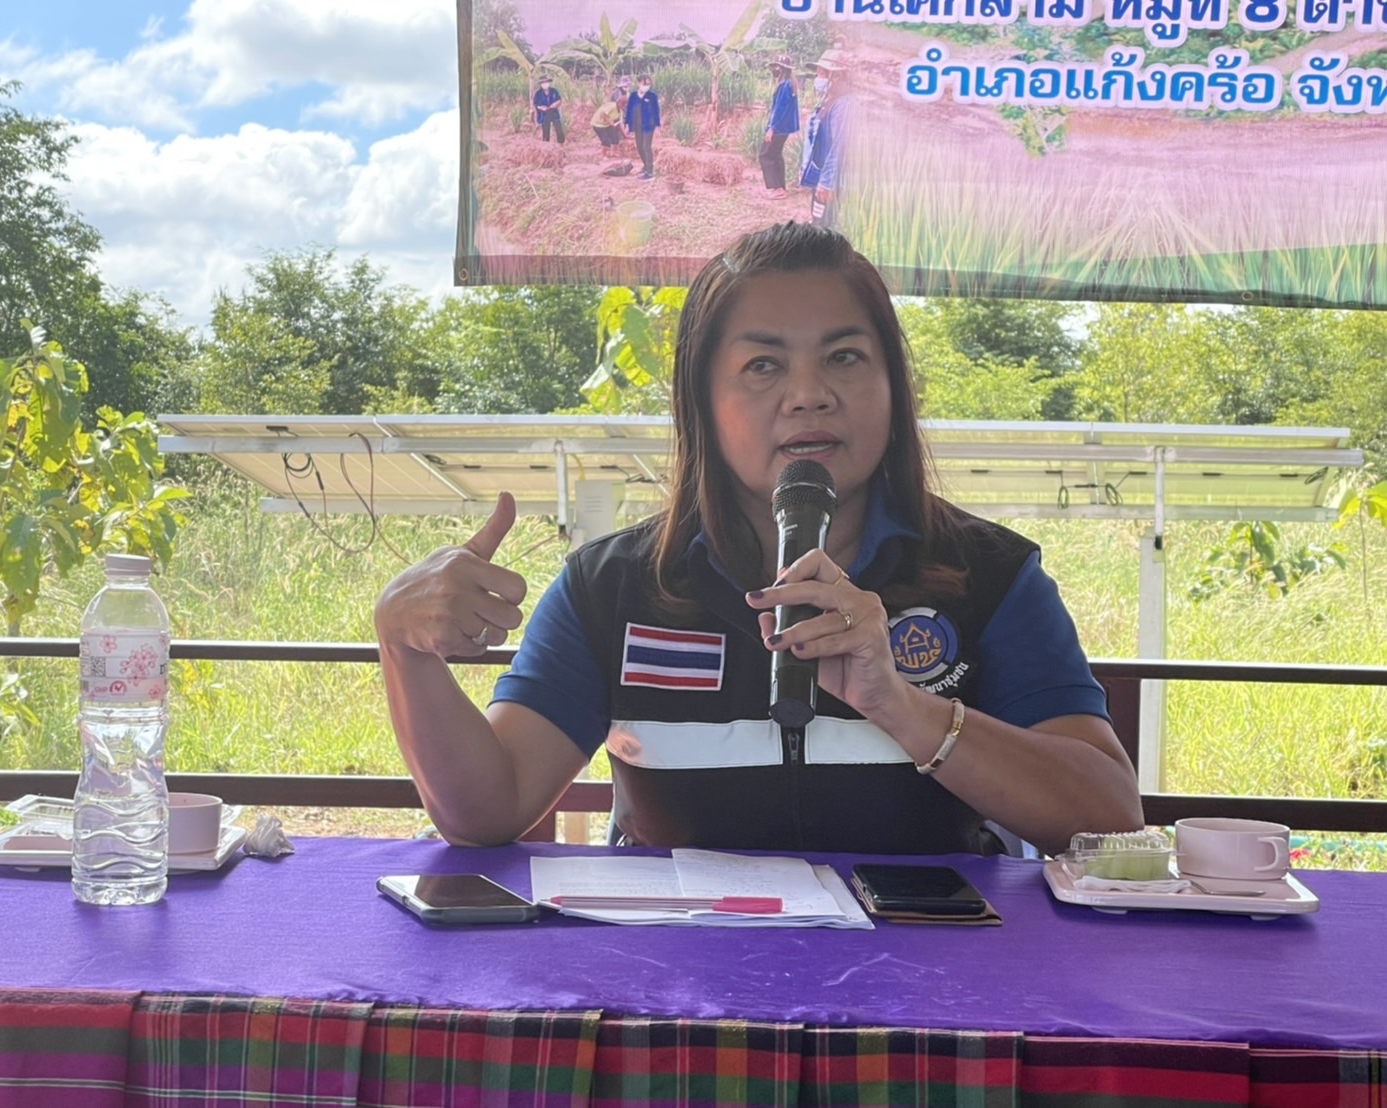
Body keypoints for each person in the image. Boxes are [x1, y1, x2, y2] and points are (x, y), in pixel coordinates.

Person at [374, 222, 1144, 858]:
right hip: (681, 998)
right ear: (702, 403)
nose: (808, 394)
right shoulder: (610, 586)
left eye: (844, 357)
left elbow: (1108, 816)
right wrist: (404, 647)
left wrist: (902, 706)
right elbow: (488, 810)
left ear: (891, 387)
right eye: (763, 365)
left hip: (927, 989)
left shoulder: (991, 575)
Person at [800, 50, 853, 225]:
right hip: (819, 171)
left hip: (829, 177)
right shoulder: (827, 99)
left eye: (822, 72)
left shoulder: (843, 104)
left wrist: (826, 182)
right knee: (817, 217)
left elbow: (839, 145)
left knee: (824, 222)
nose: (818, 76)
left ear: (836, 76)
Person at [759, 54, 800, 198]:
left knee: (765, 155)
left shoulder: (784, 86)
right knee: (776, 155)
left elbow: (779, 109)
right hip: (784, 128)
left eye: (777, 66)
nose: (774, 69)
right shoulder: (790, 84)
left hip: (779, 128)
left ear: (782, 69)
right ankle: (780, 188)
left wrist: (771, 128)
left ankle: (777, 188)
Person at [624, 74, 661, 180]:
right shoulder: (633, 96)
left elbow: (656, 111)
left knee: (646, 147)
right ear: (638, 83)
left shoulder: (652, 96)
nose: (646, 86)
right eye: (644, 83)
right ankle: (646, 166)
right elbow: (629, 111)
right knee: (639, 147)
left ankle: (650, 172)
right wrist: (627, 125)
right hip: (637, 126)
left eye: (648, 84)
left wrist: (658, 126)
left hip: (649, 125)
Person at [532, 75, 564, 144]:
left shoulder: (554, 91)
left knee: (559, 129)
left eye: (546, 82)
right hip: (544, 113)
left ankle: (561, 145)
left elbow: (559, 99)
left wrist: (555, 104)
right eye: (543, 83)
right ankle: (546, 147)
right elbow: (535, 104)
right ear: (541, 84)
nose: (545, 84)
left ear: (549, 83)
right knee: (546, 131)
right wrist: (541, 107)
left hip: (554, 112)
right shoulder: (538, 93)